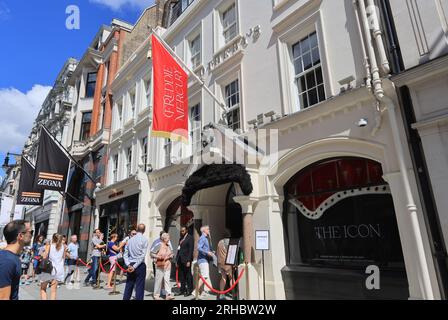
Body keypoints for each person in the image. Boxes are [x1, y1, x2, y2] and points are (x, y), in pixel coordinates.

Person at [0, 220, 33, 300]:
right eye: (31, 232)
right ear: (20, 236)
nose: (32, 235)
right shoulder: (7, 261)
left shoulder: (12, 258)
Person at [123, 224, 149, 300]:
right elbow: (142, 255)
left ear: (137, 229)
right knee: (140, 286)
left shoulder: (130, 240)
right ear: (144, 230)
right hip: (139, 265)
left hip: (131, 263)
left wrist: (128, 264)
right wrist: (134, 266)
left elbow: (125, 254)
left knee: (129, 285)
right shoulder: (145, 240)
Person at [40, 233, 67, 300]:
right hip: (58, 269)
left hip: (48, 268)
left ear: (53, 239)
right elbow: (63, 258)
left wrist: (41, 253)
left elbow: (44, 256)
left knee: (43, 289)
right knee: (53, 291)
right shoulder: (63, 247)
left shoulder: (49, 246)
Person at [151, 233, 175, 300]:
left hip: (168, 265)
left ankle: (168, 295)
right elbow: (152, 253)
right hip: (160, 265)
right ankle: (156, 295)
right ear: (164, 239)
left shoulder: (168, 245)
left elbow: (172, 253)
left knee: (167, 280)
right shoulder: (159, 245)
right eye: (168, 238)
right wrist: (158, 256)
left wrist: (171, 255)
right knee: (158, 280)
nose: (169, 239)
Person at [175, 226, 194, 297]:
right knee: (182, 276)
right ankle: (182, 290)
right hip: (180, 260)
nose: (182, 232)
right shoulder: (181, 238)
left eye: (183, 231)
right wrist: (176, 260)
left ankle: (189, 290)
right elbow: (178, 249)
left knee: (188, 275)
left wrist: (189, 260)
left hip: (186, 260)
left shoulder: (190, 238)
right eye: (181, 231)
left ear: (186, 231)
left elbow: (191, 250)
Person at [197, 225, 214, 297]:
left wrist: (211, 252)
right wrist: (207, 252)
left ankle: (201, 292)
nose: (209, 230)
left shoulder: (206, 238)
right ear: (204, 231)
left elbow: (205, 248)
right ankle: (195, 291)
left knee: (203, 276)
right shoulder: (203, 238)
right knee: (204, 276)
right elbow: (199, 248)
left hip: (204, 259)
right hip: (202, 260)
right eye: (208, 229)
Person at [216, 229, 233, 300]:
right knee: (231, 277)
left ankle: (221, 294)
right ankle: (234, 293)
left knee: (223, 278)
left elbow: (217, 252)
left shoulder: (220, 242)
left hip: (220, 263)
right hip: (228, 263)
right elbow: (231, 253)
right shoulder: (229, 242)